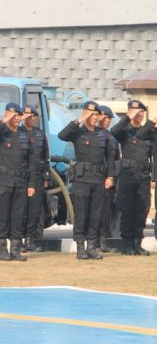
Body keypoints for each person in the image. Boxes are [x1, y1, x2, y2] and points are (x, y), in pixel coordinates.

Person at [57, 101, 115, 260]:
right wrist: (79, 120)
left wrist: (110, 176)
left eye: (96, 114)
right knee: (81, 215)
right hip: (81, 179)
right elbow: (62, 135)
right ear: (85, 114)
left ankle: (92, 246)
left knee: (95, 215)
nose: (94, 117)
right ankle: (80, 247)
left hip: (98, 179)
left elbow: (111, 157)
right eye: (91, 114)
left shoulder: (103, 134)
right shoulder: (77, 132)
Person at [0, 103, 38, 261]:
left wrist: (32, 184)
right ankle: (3, 250)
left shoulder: (25, 136)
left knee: (18, 217)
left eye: (17, 115)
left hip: (21, 182)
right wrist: (2, 121)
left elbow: (32, 162)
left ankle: (15, 249)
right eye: (12, 115)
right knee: (3, 217)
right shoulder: (1, 133)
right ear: (6, 115)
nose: (15, 118)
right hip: (3, 181)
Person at [111, 100, 152, 256]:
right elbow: (114, 131)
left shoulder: (147, 132)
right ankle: (127, 244)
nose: (140, 115)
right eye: (136, 111)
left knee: (142, 210)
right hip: (128, 175)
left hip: (143, 176)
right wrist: (127, 118)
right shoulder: (124, 131)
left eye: (142, 112)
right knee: (127, 210)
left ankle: (137, 243)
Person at [20, 105, 50, 253]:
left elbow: (45, 156)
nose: (31, 118)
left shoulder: (40, 134)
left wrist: (45, 176)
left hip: (37, 177)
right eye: (28, 115)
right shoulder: (17, 132)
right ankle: (17, 240)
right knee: (20, 210)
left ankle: (30, 239)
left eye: (33, 116)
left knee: (34, 210)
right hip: (21, 177)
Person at [97, 105, 119, 253]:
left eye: (109, 118)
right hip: (94, 177)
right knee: (94, 212)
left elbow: (115, 159)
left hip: (109, 179)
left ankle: (102, 241)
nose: (106, 120)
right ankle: (92, 241)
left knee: (105, 213)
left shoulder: (111, 137)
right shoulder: (91, 133)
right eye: (104, 117)